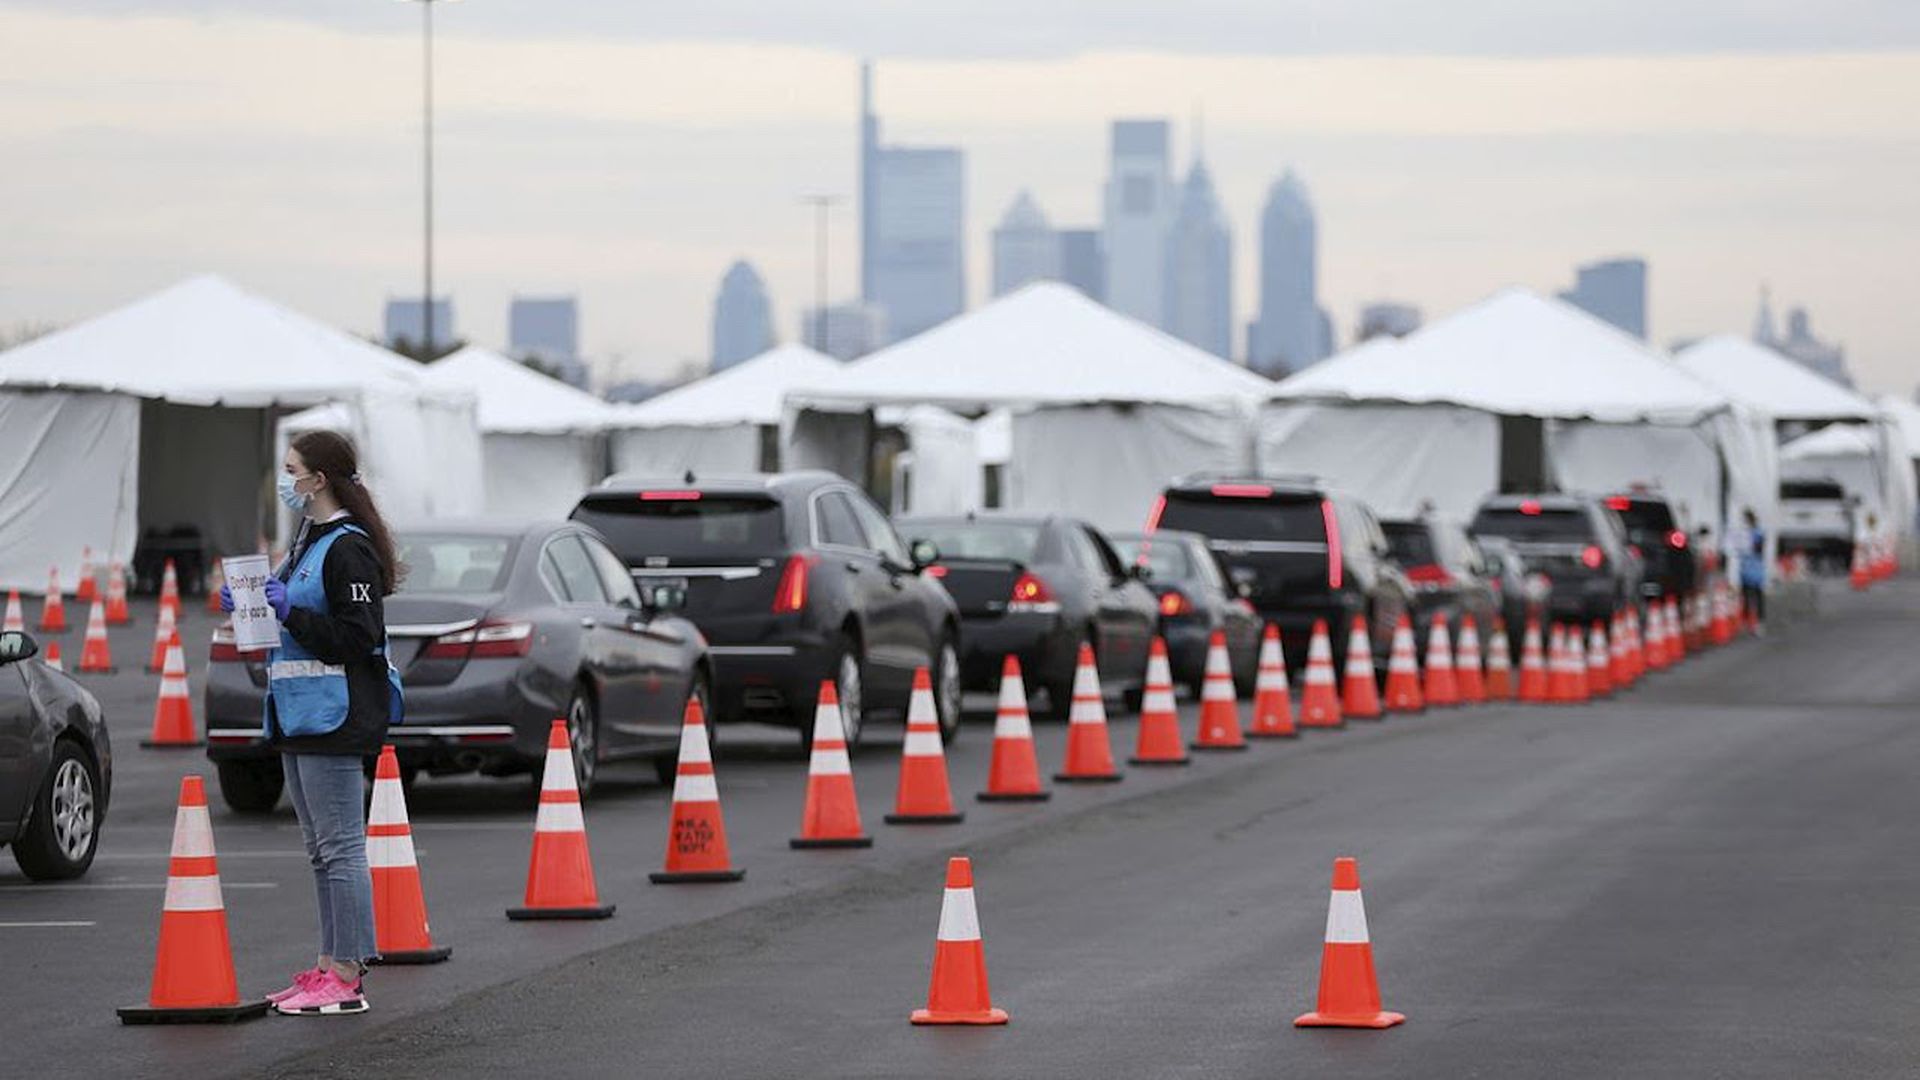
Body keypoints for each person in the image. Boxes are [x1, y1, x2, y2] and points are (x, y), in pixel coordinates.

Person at [221, 431, 403, 1016]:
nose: (287, 479)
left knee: (341, 847)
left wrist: (289, 609)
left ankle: (347, 972)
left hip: (334, 714)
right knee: (320, 851)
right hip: (299, 713)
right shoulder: (307, 539)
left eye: (292, 469)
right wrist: (252, 607)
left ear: (318, 479)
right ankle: (328, 965)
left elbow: (359, 636)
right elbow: (292, 620)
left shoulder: (347, 548)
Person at [1738, 508, 1767, 634]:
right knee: (1744, 595)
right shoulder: (1742, 533)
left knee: (1757, 595)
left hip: (1755, 569)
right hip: (1745, 568)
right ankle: (1745, 621)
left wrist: (1748, 544)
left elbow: (1758, 549)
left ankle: (1759, 622)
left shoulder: (1758, 533)